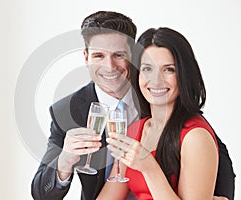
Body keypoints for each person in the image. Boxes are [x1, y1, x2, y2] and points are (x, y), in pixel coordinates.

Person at [97, 27, 235, 200]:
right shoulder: (136, 129)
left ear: (184, 75)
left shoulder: (195, 137)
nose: (156, 80)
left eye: (168, 69)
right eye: (147, 69)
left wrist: (149, 167)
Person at [31, 11, 139, 200]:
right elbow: (41, 194)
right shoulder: (66, 111)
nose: (110, 66)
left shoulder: (156, 98)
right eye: (98, 55)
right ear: (86, 58)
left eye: (119, 55)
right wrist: (65, 160)